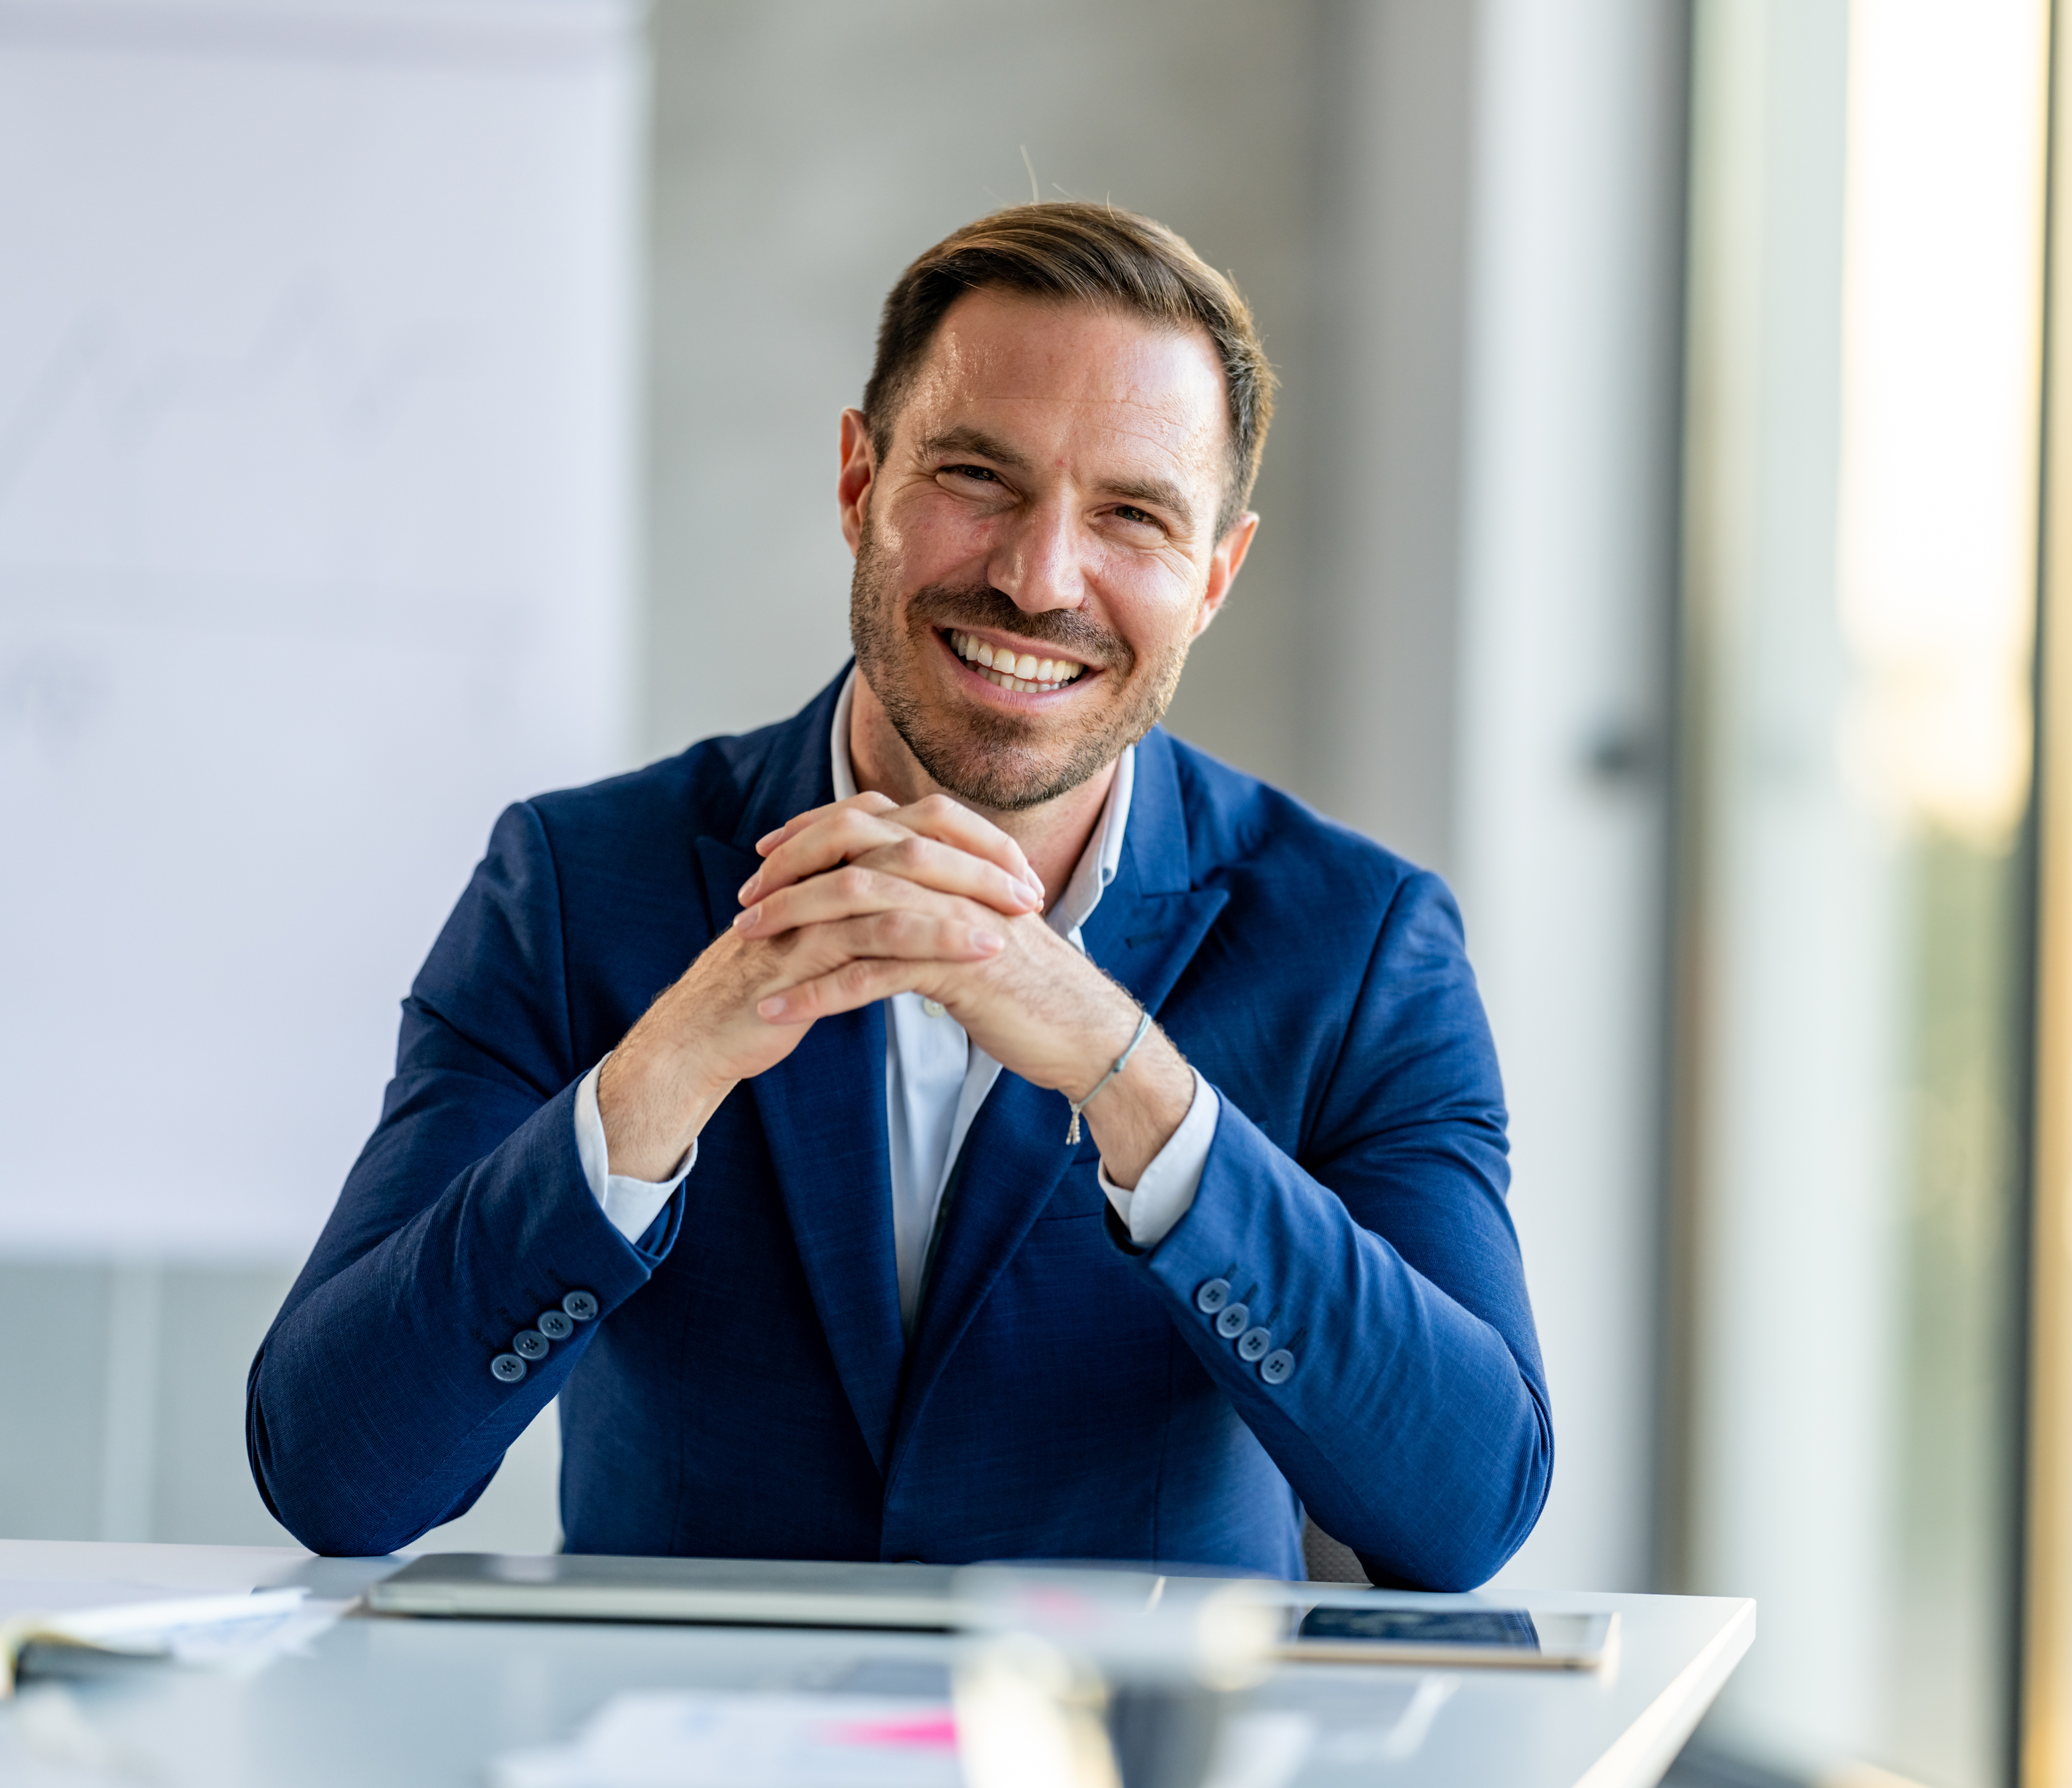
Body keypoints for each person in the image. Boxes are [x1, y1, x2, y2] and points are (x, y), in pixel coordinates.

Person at [245, 204, 1552, 1590]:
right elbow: (337, 1469)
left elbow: (1463, 1506)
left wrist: (1131, 1084)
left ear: (1213, 576)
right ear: (860, 479)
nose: (1037, 576)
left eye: (1131, 514)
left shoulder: (1358, 943)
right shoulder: (575, 885)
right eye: (977, 477)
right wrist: (667, 1067)